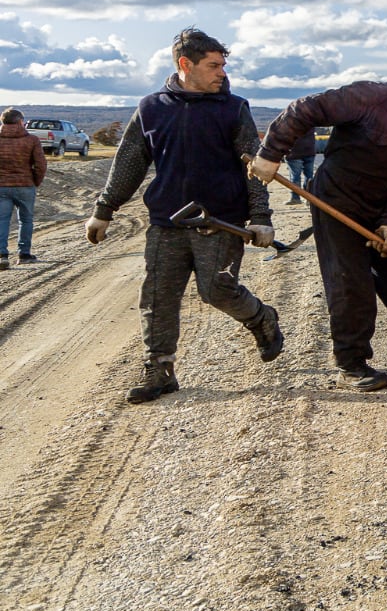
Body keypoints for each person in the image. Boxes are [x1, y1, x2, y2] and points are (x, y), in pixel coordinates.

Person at [85, 28, 282, 404]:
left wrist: (260, 216)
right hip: (167, 222)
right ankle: (159, 369)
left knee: (216, 290)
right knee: (157, 297)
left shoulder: (233, 108)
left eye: (223, 65)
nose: (222, 73)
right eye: (214, 66)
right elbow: (129, 162)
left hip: (220, 220)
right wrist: (103, 210)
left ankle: (261, 317)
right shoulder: (151, 108)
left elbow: (254, 167)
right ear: (184, 65)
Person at [250, 54, 387, 391]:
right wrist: (271, 153)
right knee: (351, 283)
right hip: (337, 203)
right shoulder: (371, 97)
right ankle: (351, 362)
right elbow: (304, 109)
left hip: (380, 210)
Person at [0, 108, 47, 269]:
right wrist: (36, 181)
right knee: (25, 220)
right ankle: (24, 254)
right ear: (20, 121)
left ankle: (2, 255)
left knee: (2, 220)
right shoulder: (31, 140)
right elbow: (40, 164)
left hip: (1, 186)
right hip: (25, 185)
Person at [284, 127, 317, 203]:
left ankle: (295, 197)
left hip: (294, 152)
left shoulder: (290, 120)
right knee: (309, 176)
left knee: (295, 177)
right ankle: (309, 198)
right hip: (310, 150)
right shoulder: (311, 119)